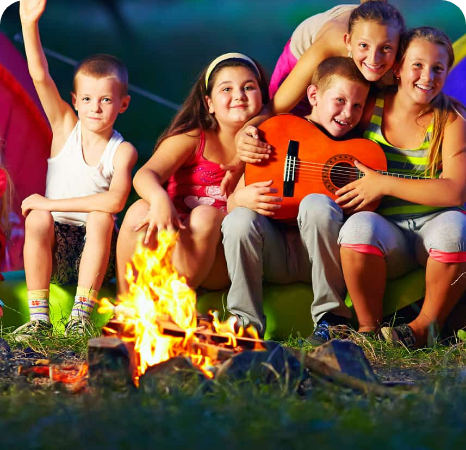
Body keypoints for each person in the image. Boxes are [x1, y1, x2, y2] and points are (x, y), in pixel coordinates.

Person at [222, 56, 370, 338]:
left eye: (357, 106)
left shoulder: (358, 149)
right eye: (339, 100)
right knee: (239, 219)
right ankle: (245, 327)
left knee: (317, 204)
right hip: (273, 252)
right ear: (313, 95)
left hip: (320, 256)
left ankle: (332, 320)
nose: (348, 113)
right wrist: (241, 200)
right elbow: (230, 205)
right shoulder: (280, 132)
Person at [336, 27, 466, 349]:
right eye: (417, 65)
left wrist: (382, 183)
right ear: (398, 68)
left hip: (433, 232)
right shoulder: (370, 108)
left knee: (457, 228)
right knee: (356, 228)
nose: (427, 76)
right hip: (388, 232)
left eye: (438, 68)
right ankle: (368, 328)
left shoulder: (451, 121)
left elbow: (455, 192)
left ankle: (423, 328)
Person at [15, 0, 137, 339]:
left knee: (99, 217)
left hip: (98, 255)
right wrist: (29, 23)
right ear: (74, 100)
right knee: (37, 219)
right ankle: (39, 320)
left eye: (106, 100)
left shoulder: (122, 151)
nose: (94, 108)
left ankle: (80, 316)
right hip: (56, 250)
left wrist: (47, 203)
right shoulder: (66, 128)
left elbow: (114, 204)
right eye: (87, 99)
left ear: (123, 104)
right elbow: (39, 76)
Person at [116, 53, 268, 295]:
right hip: (170, 241)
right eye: (226, 89)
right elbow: (145, 174)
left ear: (262, 96)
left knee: (206, 216)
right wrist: (159, 199)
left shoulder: (269, 144)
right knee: (138, 210)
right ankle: (125, 307)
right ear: (209, 104)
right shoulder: (193, 138)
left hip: (219, 259)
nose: (239, 95)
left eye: (248, 87)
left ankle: (173, 307)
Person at [235, 0, 404, 164]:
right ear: (348, 42)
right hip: (306, 57)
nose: (374, 58)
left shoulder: (401, 59)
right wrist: (240, 149)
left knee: (342, 129)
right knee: (281, 131)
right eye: (364, 46)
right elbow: (274, 109)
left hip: (365, 64)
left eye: (386, 48)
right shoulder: (331, 43)